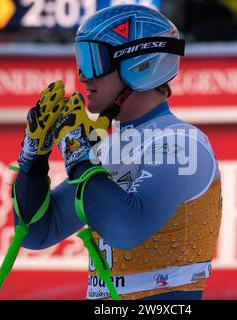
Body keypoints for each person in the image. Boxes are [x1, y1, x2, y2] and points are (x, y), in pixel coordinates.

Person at [15, 4, 222, 300]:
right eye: (81, 61)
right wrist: (33, 161)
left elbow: (127, 229)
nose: (84, 78)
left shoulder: (182, 143)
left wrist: (78, 156)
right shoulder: (111, 148)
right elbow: (37, 232)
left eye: (93, 62)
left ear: (140, 64)